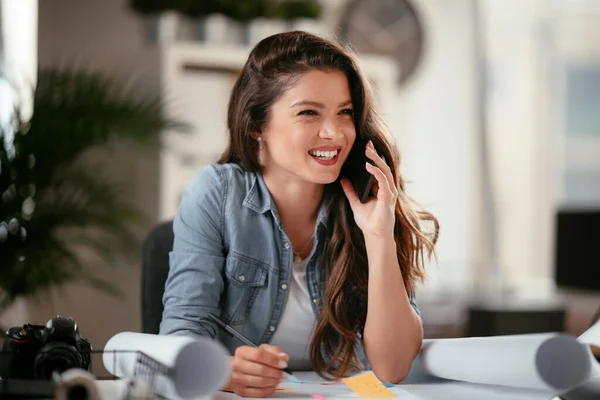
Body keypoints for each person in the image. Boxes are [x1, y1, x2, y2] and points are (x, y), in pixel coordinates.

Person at [159, 30, 438, 398]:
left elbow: (393, 366)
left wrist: (378, 237)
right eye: (308, 112)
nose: (333, 132)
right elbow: (179, 340)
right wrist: (223, 372)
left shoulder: (373, 199)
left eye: (345, 113)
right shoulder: (216, 195)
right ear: (257, 125)